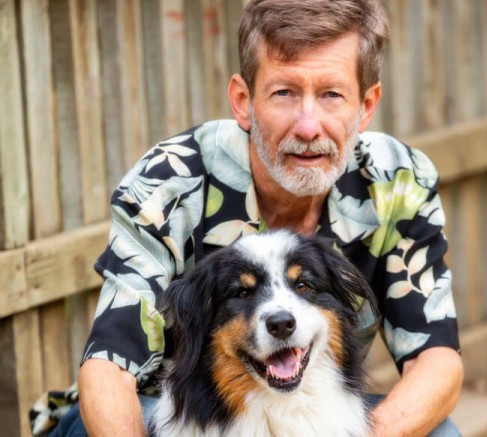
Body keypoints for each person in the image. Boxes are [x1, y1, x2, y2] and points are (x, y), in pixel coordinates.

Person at [32, 0, 463, 436]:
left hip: (307, 411)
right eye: (284, 93)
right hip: (172, 411)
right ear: (243, 100)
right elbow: (108, 367)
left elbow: (438, 360)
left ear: (366, 105)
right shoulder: (168, 182)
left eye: (332, 94)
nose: (308, 126)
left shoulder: (398, 179)